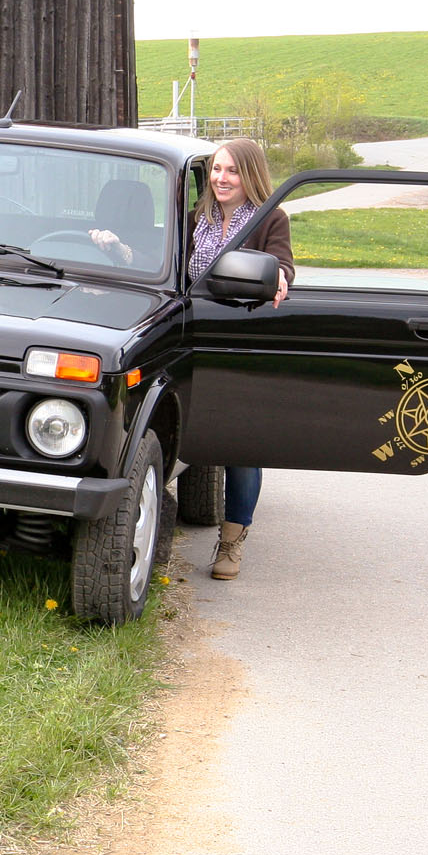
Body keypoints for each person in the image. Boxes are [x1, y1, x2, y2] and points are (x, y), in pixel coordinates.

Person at [186, 138, 293, 580]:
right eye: (216, 170)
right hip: (193, 334)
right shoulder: (198, 215)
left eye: (231, 171)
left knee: (241, 444)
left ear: (249, 175)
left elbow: (283, 265)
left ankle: (231, 542)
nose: (221, 179)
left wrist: (280, 277)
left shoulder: (271, 219)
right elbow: (176, 265)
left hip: (241, 338)